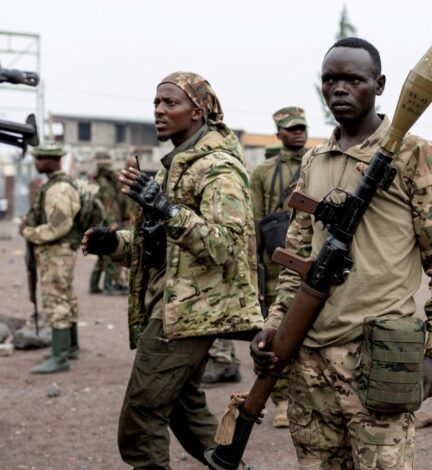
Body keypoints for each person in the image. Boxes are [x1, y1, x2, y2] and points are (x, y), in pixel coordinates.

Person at [251, 37, 432, 468]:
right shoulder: (315, 160)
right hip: (309, 359)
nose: (339, 89)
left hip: (377, 355)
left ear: (380, 85)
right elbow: (297, 257)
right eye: (330, 80)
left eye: (353, 79)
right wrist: (275, 325)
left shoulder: (416, 154)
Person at [81, 71, 263, 469]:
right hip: (176, 306)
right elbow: (166, 247)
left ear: (198, 112)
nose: (159, 111)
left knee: (141, 416)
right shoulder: (174, 166)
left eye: (170, 103)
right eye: (156, 104)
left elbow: (226, 246)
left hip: (190, 312)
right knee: (184, 410)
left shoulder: (219, 168)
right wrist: (113, 243)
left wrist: (165, 208)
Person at [244, 106, 309, 427]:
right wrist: (252, 269)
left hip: (313, 259)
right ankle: (281, 400)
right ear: (279, 134)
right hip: (276, 265)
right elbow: (253, 223)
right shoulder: (263, 173)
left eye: (301, 127)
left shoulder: (320, 163)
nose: (298, 133)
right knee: (278, 331)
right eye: (291, 128)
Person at [21, 144, 81, 374]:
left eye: (41, 158)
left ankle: (60, 357)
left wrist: (29, 232)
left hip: (56, 250)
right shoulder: (55, 184)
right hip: (59, 251)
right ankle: (69, 347)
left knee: (56, 299)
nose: (37, 162)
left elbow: (58, 226)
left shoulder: (59, 189)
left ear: (55, 160)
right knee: (65, 296)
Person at [89, 152, 124, 295]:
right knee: (109, 255)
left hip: (99, 225)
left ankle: (94, 285)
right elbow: (108, 207)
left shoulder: (100, 183)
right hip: (105, 225)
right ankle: (108, 286)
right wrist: (112, 225)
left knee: (101, 258)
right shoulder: (105, 186)